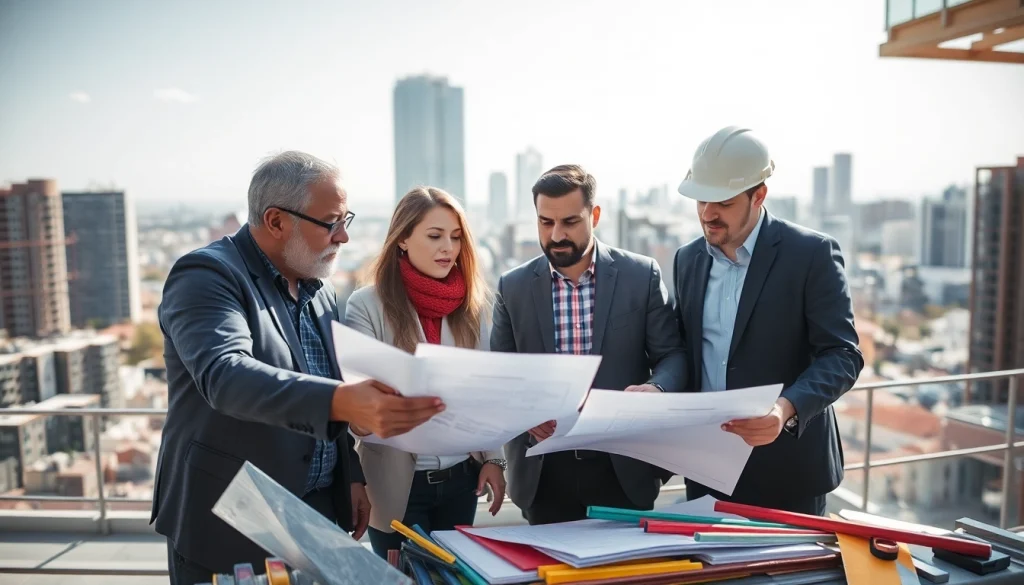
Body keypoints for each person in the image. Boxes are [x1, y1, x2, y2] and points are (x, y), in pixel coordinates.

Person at [153, 151, 445, 584]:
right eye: (331, 223)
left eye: (346, 219)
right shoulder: (206, 275)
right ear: (276, 221)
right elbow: (226, 375)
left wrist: (350, 475)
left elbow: (328, 379)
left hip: (316, 512)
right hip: (231, 518)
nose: (344, 236)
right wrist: (343, 401)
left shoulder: (318, 286)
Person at [672, 126, 864, 515]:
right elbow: (683, 351)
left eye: (723, 202)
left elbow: (843, 355)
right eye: (701, 200)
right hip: (706, 470)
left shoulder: (811, 254)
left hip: (788, 473)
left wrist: (785, 409)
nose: (708, 214)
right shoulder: (686, 259)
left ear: (758, 195)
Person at [491, 164, 687, 525]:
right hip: (544, 473)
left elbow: (672, 356)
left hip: (624, 467)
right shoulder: (512, 286)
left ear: (594, 216)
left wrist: (656, 389)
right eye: (546, 223)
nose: (556, 235)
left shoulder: (641, 275)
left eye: (570, 222)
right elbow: (501, 374)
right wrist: (526, 411)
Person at [344, 186, 507, 557]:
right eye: (435, 236)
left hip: (462, 481)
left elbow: (485, 394)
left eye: (455, 237)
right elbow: (359, 406)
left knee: (456, 577)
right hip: (395, 486)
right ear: (402, 239)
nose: (448, 248)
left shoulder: (473, 307)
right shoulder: (366, 305)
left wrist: (494, 459)